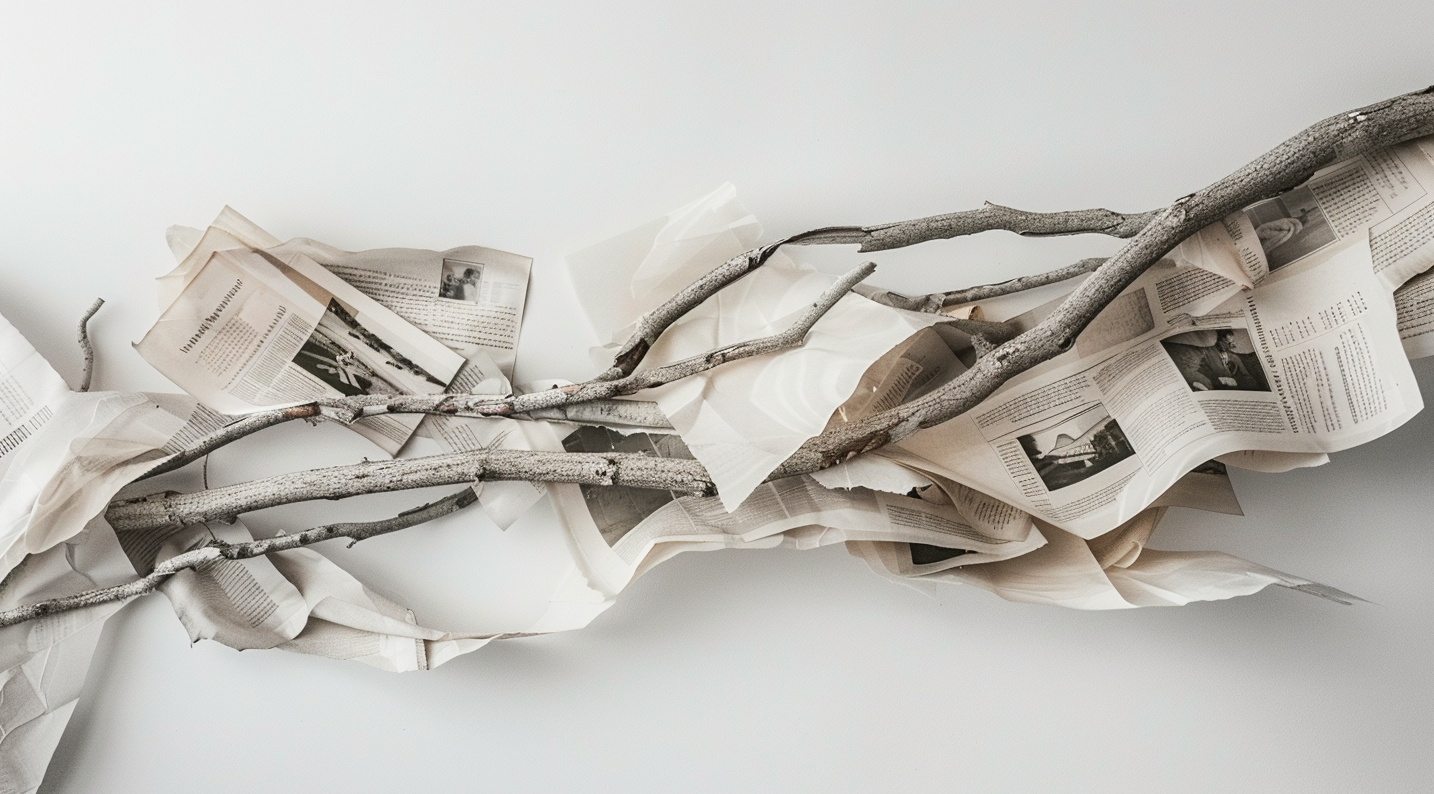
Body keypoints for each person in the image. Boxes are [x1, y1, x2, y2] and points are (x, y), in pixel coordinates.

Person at [1189, 329, 1258, 391]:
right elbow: (1198, 372)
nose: (1231, 346)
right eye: (1228, 343)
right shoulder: (1206, 353)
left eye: (1232, 342)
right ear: (1219, 340)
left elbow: (1249, 379)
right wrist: (1218, 380)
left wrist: (1237, 382)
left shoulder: (1234, 357)